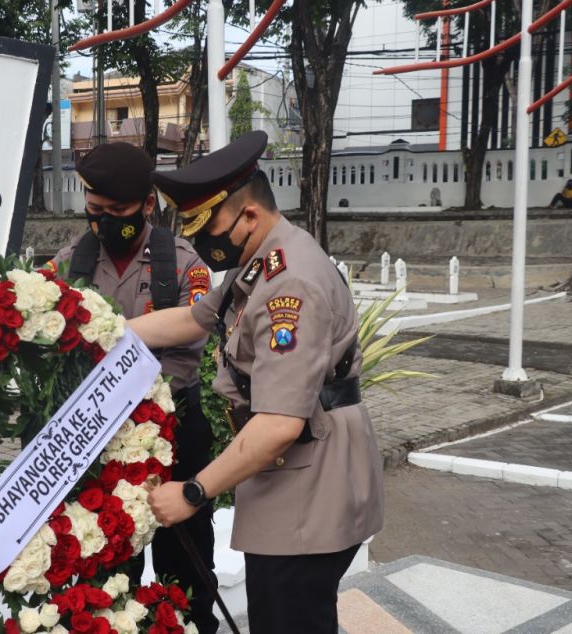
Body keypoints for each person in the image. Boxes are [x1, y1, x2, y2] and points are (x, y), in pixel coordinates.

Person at [132, 131, 384, 634]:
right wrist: (94, 329)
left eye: (208, 228)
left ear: (248, 216)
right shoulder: (260, 261)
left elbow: (278, 426)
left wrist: (193, 492)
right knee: (284, 612)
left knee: (287, 616)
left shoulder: (288, 282)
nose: (202, 243)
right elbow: (191, 320)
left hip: (309, 479)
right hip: (297, 472)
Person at [48, 142, 219, 634]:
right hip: (95, 438)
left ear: (147, 205)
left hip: (172, 430)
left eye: (117, 211)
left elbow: (195, 326)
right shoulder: (68, 264)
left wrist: (110, 331)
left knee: (185, 565)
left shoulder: (183, 263)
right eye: (95, 211)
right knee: (105, 568)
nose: (103, 222)